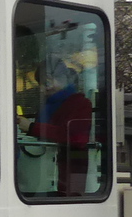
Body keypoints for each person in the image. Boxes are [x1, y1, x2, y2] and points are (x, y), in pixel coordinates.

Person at [18, 60, 93, 195]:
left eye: (46, 82)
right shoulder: (46, 106)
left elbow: (76, 138)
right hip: (40, 178)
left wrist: (32, 127)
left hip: (67, 180)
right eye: (40, 84)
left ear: (62, 79)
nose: (42, 89)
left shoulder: (81, 104)